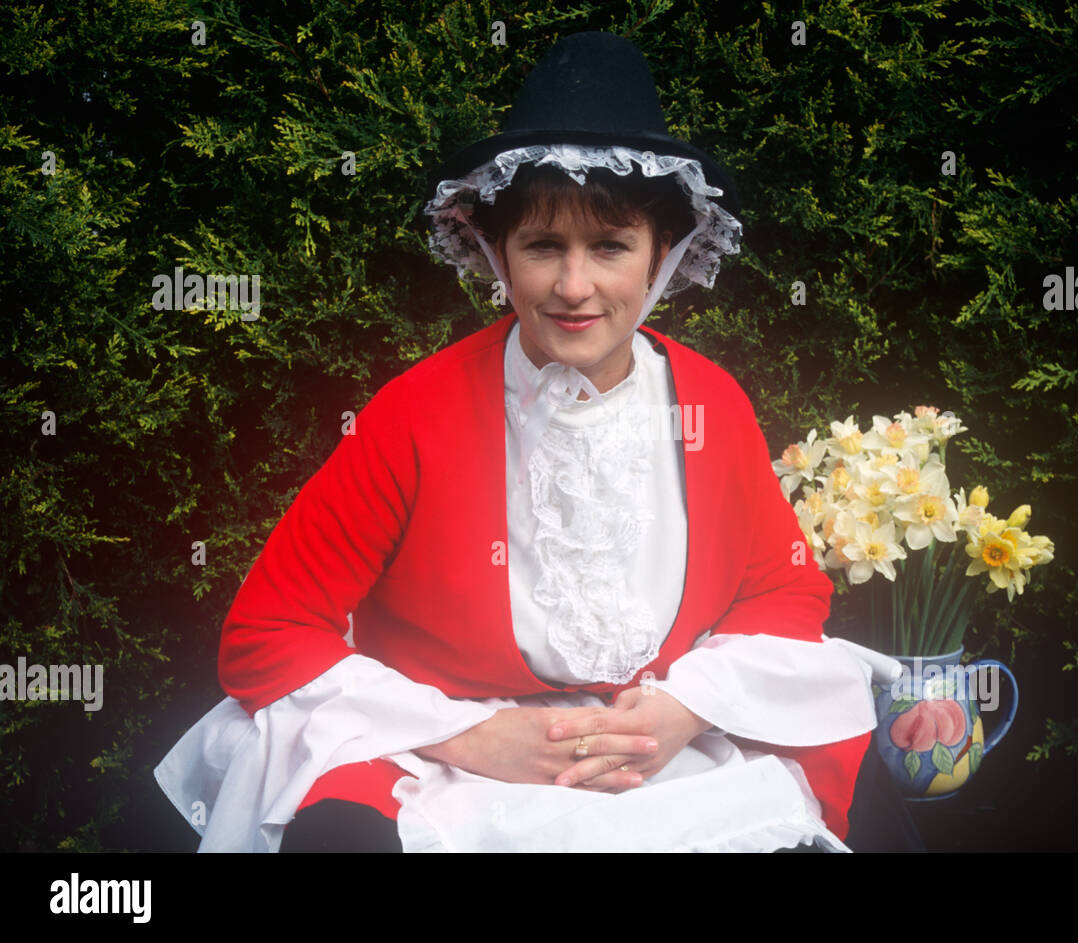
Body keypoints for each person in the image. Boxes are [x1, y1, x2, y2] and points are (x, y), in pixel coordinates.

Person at [154, 30, 903, 853]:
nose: (574, 286)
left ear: (662, 255)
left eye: (610, 246)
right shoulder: (414, 412)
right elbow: (268, 633)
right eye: (544, 246)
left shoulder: (711, 404)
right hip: (448, 757)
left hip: (654, 758)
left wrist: (686, 707)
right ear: (496, 253)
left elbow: (784, 595)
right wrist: (467, 737)